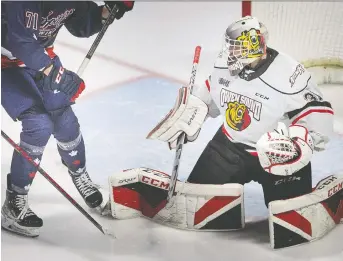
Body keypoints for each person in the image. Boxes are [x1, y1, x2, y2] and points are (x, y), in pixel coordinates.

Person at [148, 16, 334, 208]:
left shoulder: (288, 73)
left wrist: (301, 144)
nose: (230, 51)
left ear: (251, 45)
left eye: (236, 46)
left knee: (291, 216)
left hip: (278, 154)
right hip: (229, 146)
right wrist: (191, 113)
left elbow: (317, 115)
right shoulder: (224, 64)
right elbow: (210, 94)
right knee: (194, 205)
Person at [1, 1, 134, 237]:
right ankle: (14, 201)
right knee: (38, 124)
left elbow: (80, 22)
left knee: (64, 120)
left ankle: (80, 173)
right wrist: (56, 74)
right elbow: (20, 41)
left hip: (41, 61)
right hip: (5, 66)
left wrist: (105, 12)